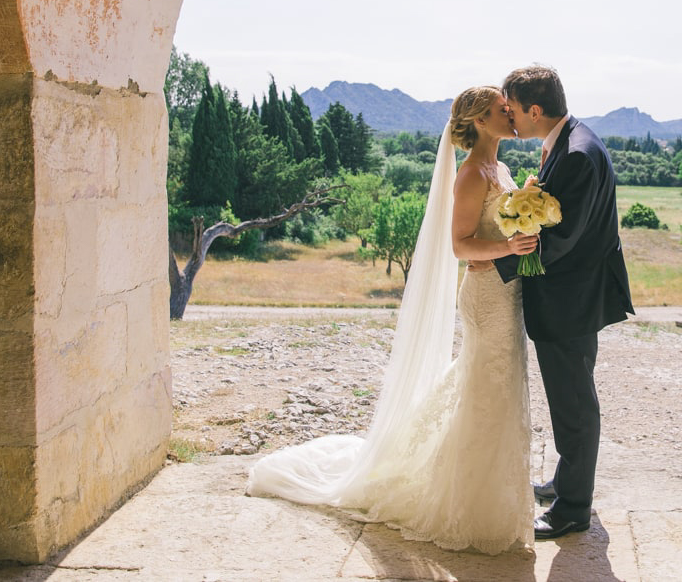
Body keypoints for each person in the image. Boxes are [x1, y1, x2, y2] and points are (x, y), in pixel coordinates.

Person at [246, 86, 539, 555]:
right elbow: (461, 246)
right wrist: (509, 246)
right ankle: (470, 505)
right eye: (502, 111)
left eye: (509, 109)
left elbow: (495, 227)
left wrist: (524, 213)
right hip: (485, 297)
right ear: (481, 122)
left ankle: (494, 498)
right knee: (487, 389)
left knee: (495, 390)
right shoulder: (469, 176)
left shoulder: (500, 169)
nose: (512, 115)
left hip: (509, 296)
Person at [493, 64, 634, 540]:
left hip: (570, 298)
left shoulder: (576, 154)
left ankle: (572, 508)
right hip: (573, 294)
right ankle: (565, 482)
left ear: (535, 110)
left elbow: (561, 238)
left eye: (512, 109)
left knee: (574, 403)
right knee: (569, 398)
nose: (509, 117)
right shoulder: (571, 140)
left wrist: (495, 261)